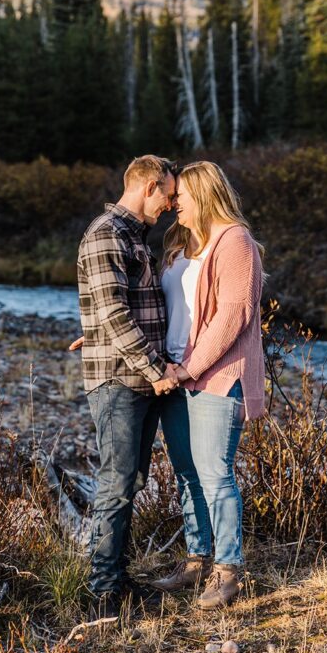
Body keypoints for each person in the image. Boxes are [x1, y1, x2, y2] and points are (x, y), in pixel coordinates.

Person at [153, 161, 265, 609]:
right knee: (186, 473)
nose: (172, 202)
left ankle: (227, 571)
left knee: (216, 474)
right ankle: (197, 559)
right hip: (173, 374)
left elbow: (233, 315)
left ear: (203, 195)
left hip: (216, 376)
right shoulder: (180, 243)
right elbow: (158, 305)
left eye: (180, 196)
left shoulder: (235, 241)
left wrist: (189, 367)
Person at [75, 155, 179, 617]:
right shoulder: (105, 235)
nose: (173, 206)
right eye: (170, 195)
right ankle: (103, 592)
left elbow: (118, 308)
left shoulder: (134, 236)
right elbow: (116, 316)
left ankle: (117, 577)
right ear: (150, 186)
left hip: (136, 378)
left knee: (130, 482)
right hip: (121, 381)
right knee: (116, 485)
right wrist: (158, 371)